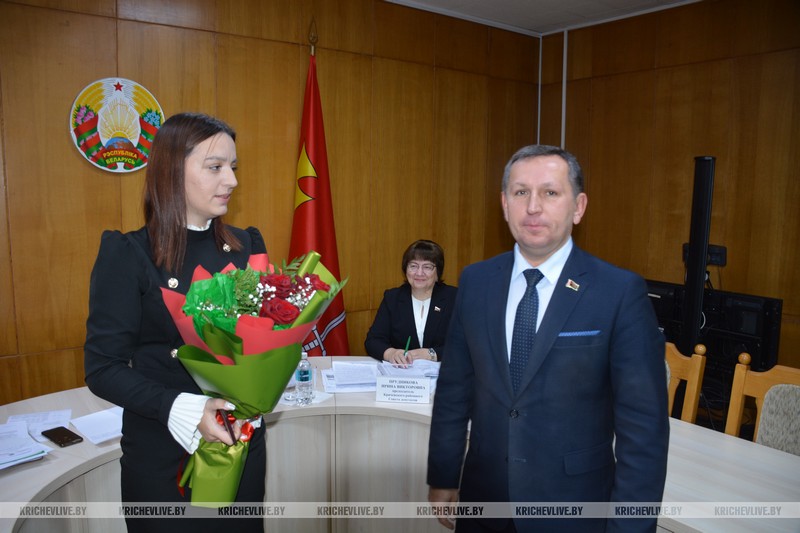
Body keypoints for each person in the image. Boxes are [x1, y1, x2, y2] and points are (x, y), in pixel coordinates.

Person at [427, 145, 669, 532]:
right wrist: (442, 476)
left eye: (550, 193)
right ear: (505, 204)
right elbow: (455, 388)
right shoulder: (475, 281)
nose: (533, 207)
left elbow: (643, 430)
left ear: (579, 206)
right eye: (521, 192)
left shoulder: (619, 292)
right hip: (484, 501)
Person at [84, 113, 266, 532]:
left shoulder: (246, 246)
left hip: (243, 449)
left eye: (233, 167)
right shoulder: (129, 254)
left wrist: (255, 398)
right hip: (165, 459)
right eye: (216, 166)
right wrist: (188, 408)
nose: (232, 180)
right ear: (171, 172)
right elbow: (103, 370)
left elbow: (261, 344)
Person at [365, 239, 458, 364]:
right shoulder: (393, 298)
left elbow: (467, 343)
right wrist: (391, 353)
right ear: (405, 269)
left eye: (427, 267)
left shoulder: (454, 297)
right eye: (413, 266)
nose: (419, 273)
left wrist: (432, 353)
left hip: (444, 374)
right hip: (403, 374)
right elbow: (373, 341)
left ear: (437, 272)